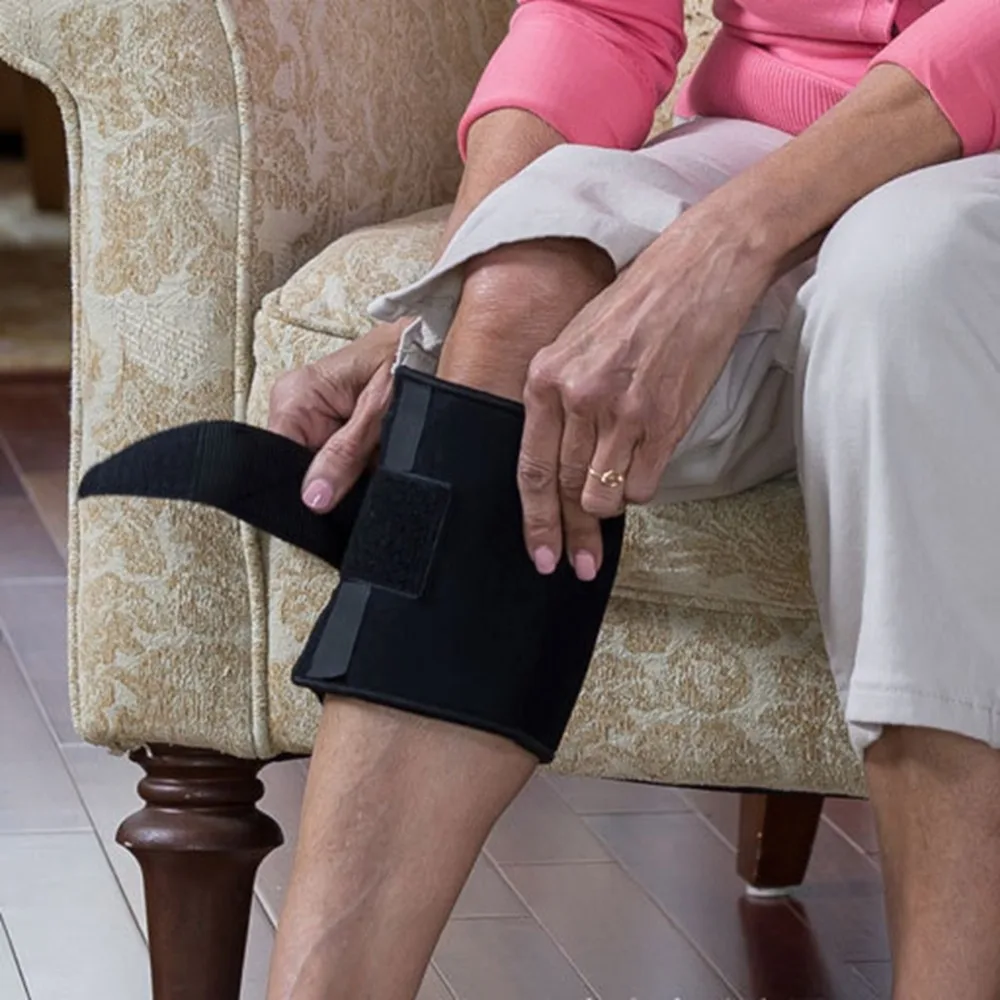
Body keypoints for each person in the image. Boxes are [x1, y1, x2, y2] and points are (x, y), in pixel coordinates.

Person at [262, 2, 1000, 998]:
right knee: (525, 281)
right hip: (770, 134)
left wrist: (730, 239)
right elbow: (596, 15)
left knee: (906, 288)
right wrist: (461, 290)